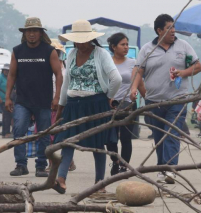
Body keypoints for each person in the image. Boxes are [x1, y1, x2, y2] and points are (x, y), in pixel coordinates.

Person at [130, 14, 201, 184]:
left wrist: (183, 73)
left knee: (172, 133)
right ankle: (162, 168)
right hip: (154, 101)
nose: (173, 31)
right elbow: (138, 71)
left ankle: (170, 169)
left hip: (177, 100)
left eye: (174, 27)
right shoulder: (148, 49)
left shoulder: (183, 46)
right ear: (159, 30)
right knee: (159, 136)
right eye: (169, 28)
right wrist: (134, 88)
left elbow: (197, 66)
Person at [53, 19, 122, 194]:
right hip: (73, 104)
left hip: (96, 104)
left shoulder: (101, 54)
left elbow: (116, 79)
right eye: (77, 40)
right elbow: (67, 83)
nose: (80, 43)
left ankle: (100, 184)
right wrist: (61, 107)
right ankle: (61, 179)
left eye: (83, 40)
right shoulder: (71, 54)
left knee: (97, 144)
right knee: (68, 142)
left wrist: (108, 97)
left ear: (90, 38)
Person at [5, 17, 63, 177]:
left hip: (44, 101)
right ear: (24, 33)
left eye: (35, 31)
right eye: (29, 31)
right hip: (22, 100)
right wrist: (8, 97)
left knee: (43, 134)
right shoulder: (18, 51)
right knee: (19, 131)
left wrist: (57, 97)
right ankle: (21, 164)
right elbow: (12, 75)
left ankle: (41, 165)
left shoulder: (49, 51)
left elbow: (59, 74)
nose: (31, 34)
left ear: (40, 33)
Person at [105, 32, 137, 176]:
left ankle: (124, 167)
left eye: (127, 44)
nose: (126, 47)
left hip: (128, 105)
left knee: (125, 138)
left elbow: (139, 82)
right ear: (113, 47)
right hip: (110, 105)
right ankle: (116, 161)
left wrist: (144, 96)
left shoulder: (132, 63)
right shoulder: (107, 63)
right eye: (122, 44)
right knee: (110, 138)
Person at [49, 39, 76, 172]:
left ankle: (68, 160)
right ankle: (51, 163)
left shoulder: (66, 69)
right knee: (49, 136)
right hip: (48, 106)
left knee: (64, 135)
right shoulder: (46, 69)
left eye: (57, 52)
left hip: (64, 106)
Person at [0, 63, 12, 138]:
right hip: (3, 100)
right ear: (3, 70)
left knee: (7, 116)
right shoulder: (0, 78)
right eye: (5, 70)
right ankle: (6, 132)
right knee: (7, 116)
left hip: (9, 100)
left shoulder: (9, 77)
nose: (6, 71)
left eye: (8, 70)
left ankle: (5, 133)